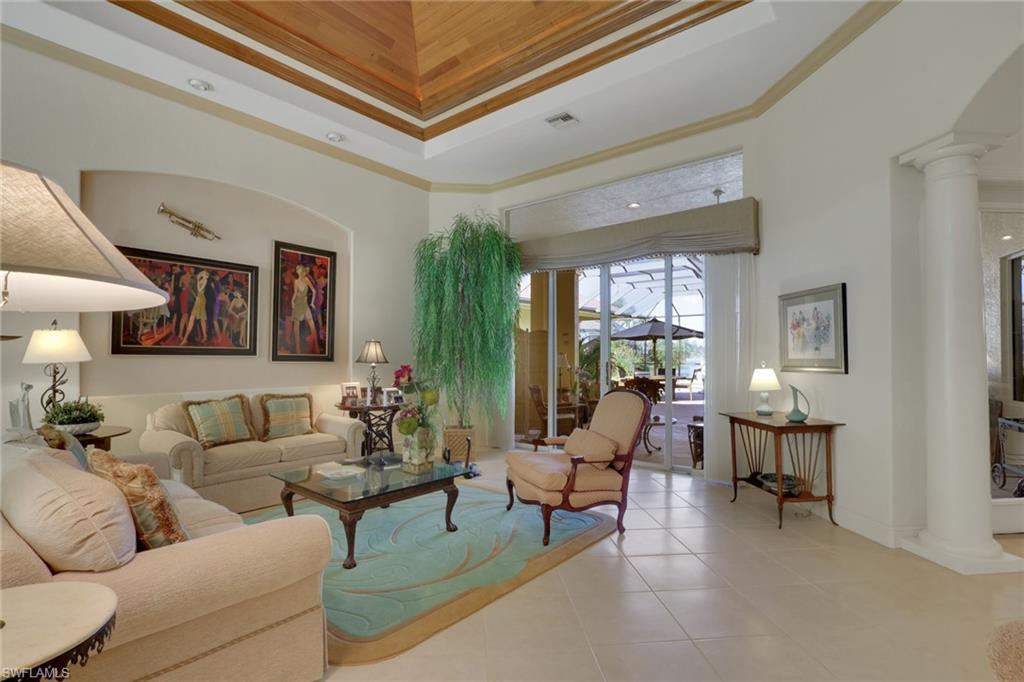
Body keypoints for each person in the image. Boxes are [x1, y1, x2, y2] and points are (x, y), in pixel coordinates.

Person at [290, 263, 319, 354]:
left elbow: (314, 291)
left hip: (305, 304)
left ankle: (316, 345)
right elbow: (295, 293)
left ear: (301, 271)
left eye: (298, 269)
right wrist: (292, 301)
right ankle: (298, 347)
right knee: (296, 325)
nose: (296, 270)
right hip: (297, 303)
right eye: (296, 269)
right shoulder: (296, 281)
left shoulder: (306, 279)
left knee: (311, 323)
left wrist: (312, 302)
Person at [180, 269, 210, 344]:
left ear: (206, 274)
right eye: (202, 272)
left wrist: (197, 279)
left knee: (193, 319)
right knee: (201, 319)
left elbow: (199, 290)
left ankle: (185, 339)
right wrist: (197, 278)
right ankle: (204, 337)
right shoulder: (202, 279)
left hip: (200, 299)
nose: (202, 273)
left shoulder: (205, 280)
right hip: (199, 299)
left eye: (204, 272)